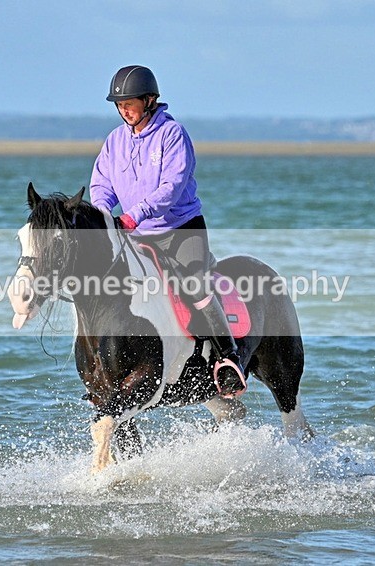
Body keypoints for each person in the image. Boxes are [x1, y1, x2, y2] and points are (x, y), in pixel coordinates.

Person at [89, 64, 247, 398]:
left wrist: (134, 215)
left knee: (194, 284)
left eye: (130, 103)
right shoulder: (115, 141)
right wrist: (103, 214)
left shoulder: (172, 134)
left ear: (149, 100)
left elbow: (171, 188)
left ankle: (228, 358)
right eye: (119, 105)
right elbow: (102, 184)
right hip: (135, 234)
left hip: (180, 230)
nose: (124, 110)